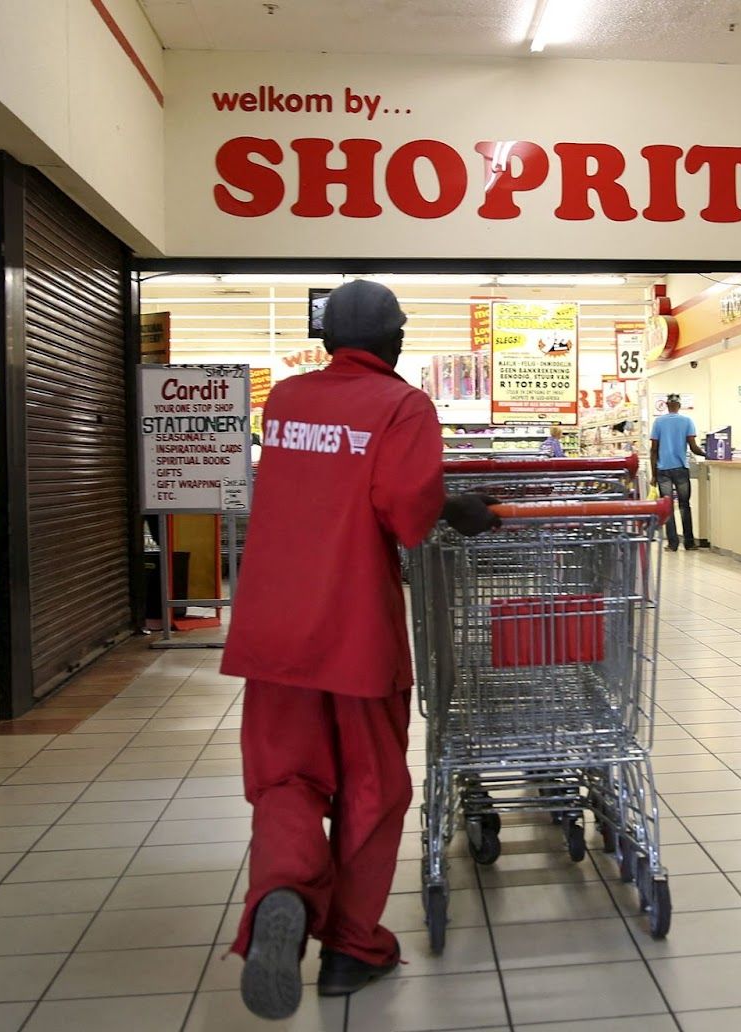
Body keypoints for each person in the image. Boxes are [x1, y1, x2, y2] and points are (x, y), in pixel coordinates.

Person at [220, 279, 500, 1020]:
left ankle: (281, 893)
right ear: (396, 340)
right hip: (352, 626)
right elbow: (407, 515)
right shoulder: (402, 405)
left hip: (271, 627)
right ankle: (351, 947)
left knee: (286, 779)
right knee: (373, 788)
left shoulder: (283, 401)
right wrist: (457, 507)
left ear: (325, 341)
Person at [649, 393, 704, 551]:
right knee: (684, 505)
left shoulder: (658, 422)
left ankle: (672, 543)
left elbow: (654, 450)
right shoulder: (687, 421)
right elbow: (693, 447)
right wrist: (709, 454)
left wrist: (653, 474)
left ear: (667, 405)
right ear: (679, 406)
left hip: (662, 470)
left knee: (667, 506)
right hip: (681, 469)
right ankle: (689, 542)